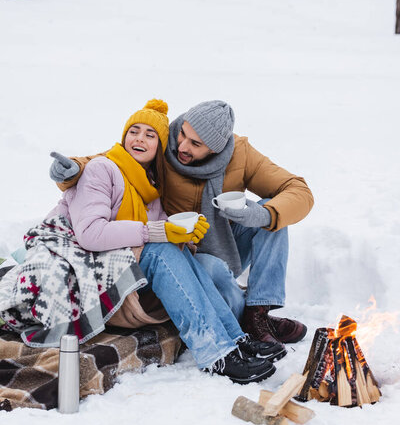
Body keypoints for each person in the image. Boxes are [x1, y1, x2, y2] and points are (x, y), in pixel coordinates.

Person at [0, 99, 280, 385]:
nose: (139, 139)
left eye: (150, 135)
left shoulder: (151, 189)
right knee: (159, 249)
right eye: (134, 130)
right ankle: (215, 353)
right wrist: (157, 231)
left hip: (115, 266)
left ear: (160, 147)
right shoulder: (102, 170)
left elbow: (152, 237)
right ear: (124, 136)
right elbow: (91, 234)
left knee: (174, 250)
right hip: (79, 263)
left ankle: (234, 338)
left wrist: (184, 238)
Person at [50, 100, 314, 352]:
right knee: (213, 270)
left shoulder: (241, 154)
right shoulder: (165, 143)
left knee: (273, 214)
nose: (182, 146)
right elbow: (115, 157)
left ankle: (258, 313)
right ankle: (246, 320)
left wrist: (262, 215)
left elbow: (298, 190)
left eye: (195, 144)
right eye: (183, 135)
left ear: (217, 148)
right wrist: (75, 169)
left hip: (225, 242)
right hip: (183, 249)